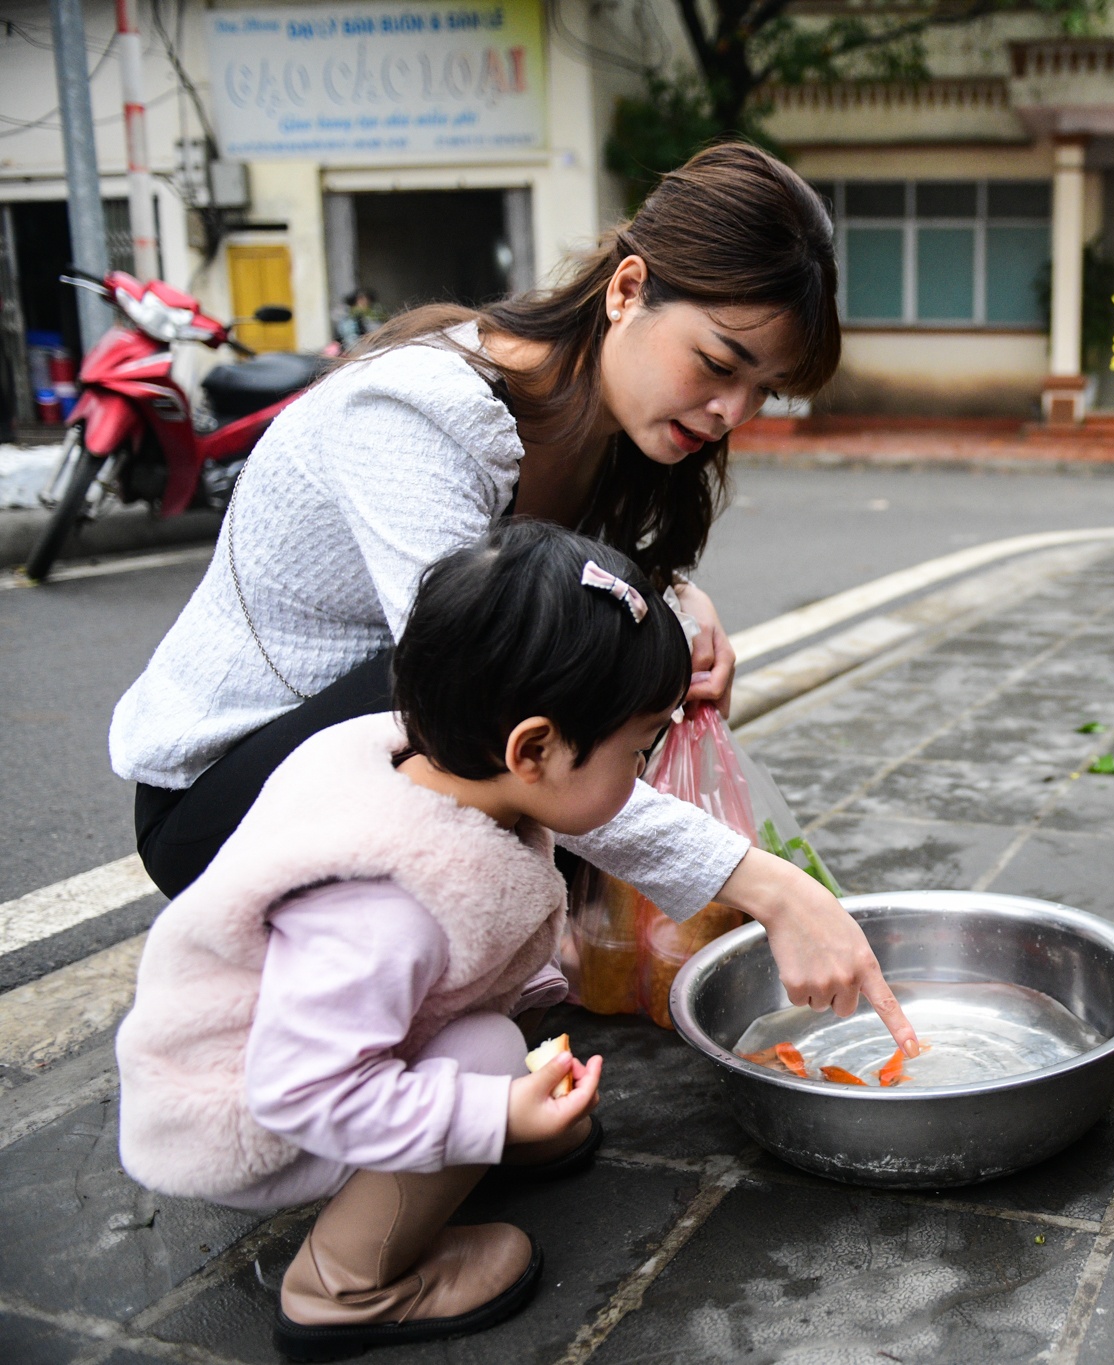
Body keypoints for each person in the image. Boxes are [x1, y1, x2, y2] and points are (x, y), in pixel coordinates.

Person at [109, 142, 916, 1049]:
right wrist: (768, 883)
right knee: (514, 665)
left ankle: (452, 1003)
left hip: (364, 764)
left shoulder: (621, 429)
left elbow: (585, 590)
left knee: (604, 655)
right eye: (719, 363)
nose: (733, 412)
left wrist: (680, 602)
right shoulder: (421, 410)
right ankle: (350, 1052)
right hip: (220, 804)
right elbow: (490, 688)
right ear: (626, 290)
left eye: (762, 390)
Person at [118, 524, 685, 1358]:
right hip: (247, 1112)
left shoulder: (413, 763)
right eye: (638, 750)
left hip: (306, 1044)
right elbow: (303, 1091)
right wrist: (490, 1109)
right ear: (532, 748)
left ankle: (462, 1139)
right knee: (487, 1057)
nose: (641, 772)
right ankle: (349, 1285)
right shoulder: (382, 907)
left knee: (492, 1046)